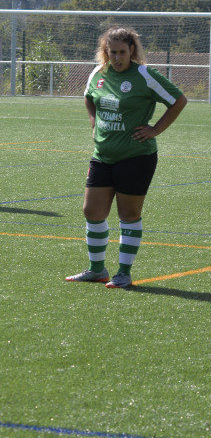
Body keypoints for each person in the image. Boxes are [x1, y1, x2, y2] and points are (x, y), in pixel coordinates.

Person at [66, 27, 187, 288]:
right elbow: (89, 99)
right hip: (102, 154)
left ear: (132, 51)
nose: (118, 58)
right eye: (113, 53)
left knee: (128, 214)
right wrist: (93, 122)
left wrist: (155, 129)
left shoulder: (145, 75)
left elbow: (178, 100)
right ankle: (97, 270)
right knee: (91, 211)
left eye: (122, 52)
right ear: (105, 52)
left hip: (136, 156)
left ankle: (123, 273)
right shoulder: (99, 73)